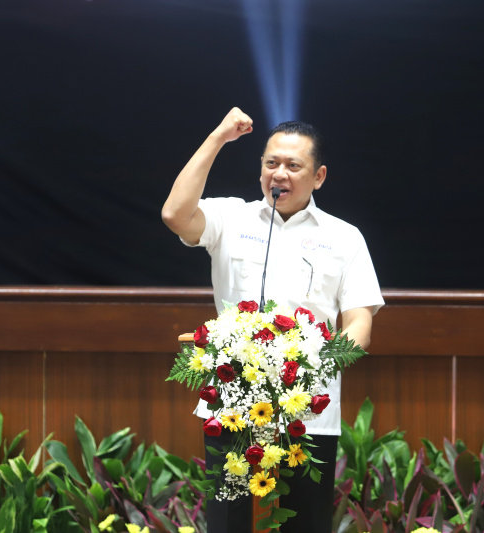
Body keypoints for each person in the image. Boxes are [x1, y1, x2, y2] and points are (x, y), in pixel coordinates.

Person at [162, 107, 384, 533]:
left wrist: (312, 365)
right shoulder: (230, 218)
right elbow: (174, 215)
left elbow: (359, 325)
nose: (279, 174)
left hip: (309, 411)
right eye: (271, 163)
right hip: (233, 409)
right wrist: (218, 138)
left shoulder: (344, 237)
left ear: (318, 176)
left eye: (292, 165)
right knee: (230, 524)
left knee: (303, 524)